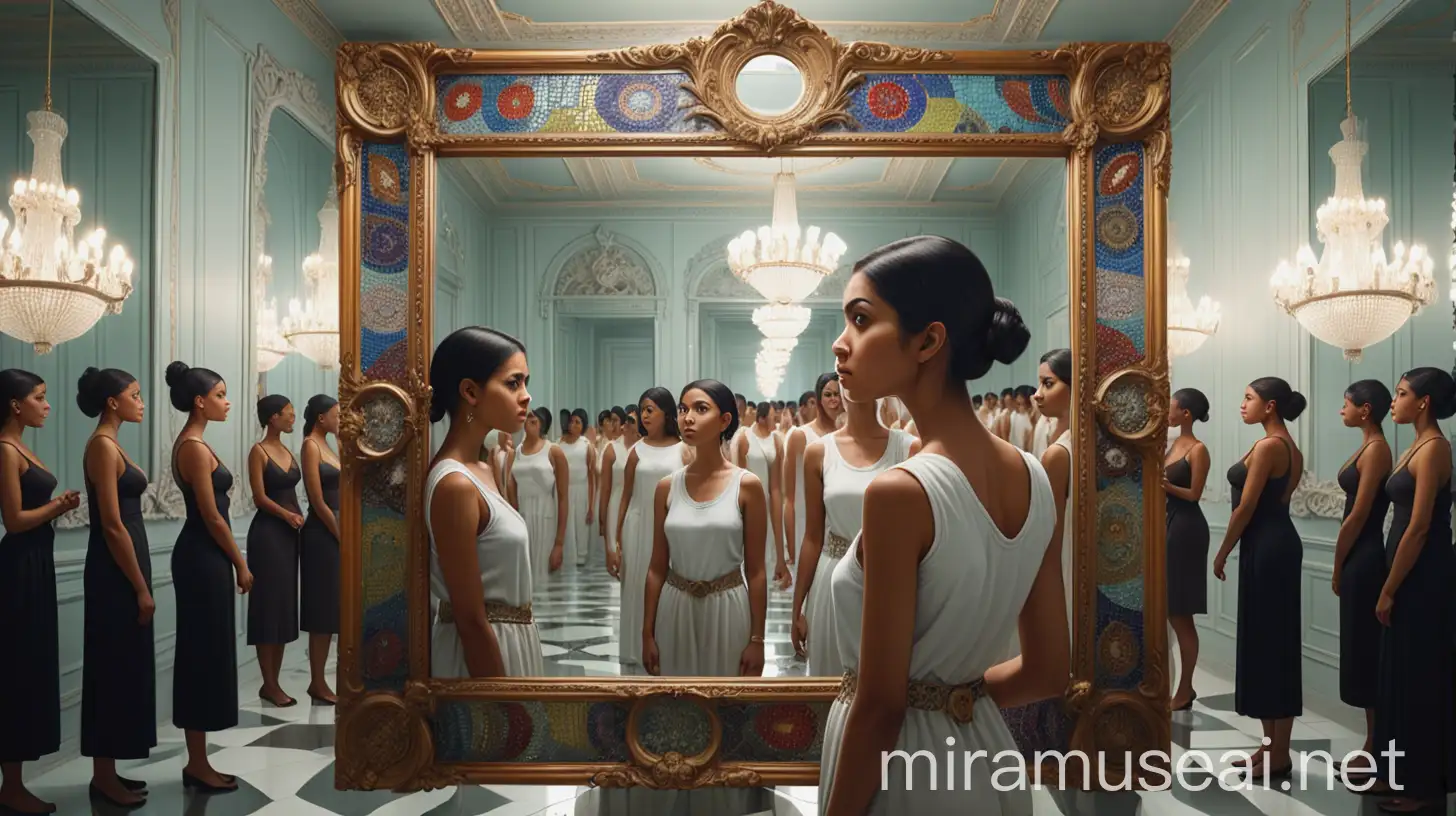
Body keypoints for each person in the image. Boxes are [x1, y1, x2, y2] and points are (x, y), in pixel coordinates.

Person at [820, 235, 1067, 815]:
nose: (840, 343)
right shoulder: (1035, 475)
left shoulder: (899, 492)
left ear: (929, 340)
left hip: (902, 769)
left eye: (860, 320)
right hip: (985, 753)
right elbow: (1049, 669)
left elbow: (880, 706)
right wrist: (959, 699)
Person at [425, 327, 544, 677]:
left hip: (511, 641)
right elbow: (470, 617)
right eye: (513, 383)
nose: (526, 396)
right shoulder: (456, 485)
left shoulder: (482, 468)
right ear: (470, 391)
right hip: (482, 655)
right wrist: (500, 704)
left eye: (525, 383)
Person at [1364, 367, 1456, 811]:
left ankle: (1421, 785)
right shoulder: (1415, 444)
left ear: (1424, 402)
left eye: (1401, 394)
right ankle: (1394, 772)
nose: (1394, 401)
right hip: (1406, 573)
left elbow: (1418, 528)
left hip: (1422, 576)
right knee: (1396, 675)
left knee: (1418, 678)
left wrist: (1389, 588)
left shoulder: (1435, 448)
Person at [1212, 376, 1306, 779]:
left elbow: (1247, 506)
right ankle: (1269, 748)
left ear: (1269, 406)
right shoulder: (1280, 444)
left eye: (1248, 398)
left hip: (1269, 546)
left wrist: (1221, 551)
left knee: (1274, 646)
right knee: (1266, 644)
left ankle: (1279, 753)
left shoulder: (1271, 446)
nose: (1242, 404)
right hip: (1270, 544)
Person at [641, 380, 767, 677]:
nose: (688, 417)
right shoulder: (666, 487)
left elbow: (757, 571)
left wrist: (757, 640)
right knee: (677, 709)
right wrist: (647, 633)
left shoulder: (746, 486)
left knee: (725, 708)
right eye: (683, 409)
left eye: (701, 409)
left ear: (725, 420)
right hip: (675, 608)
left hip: (729, 608)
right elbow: (656, 567)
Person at [792, 386, 917, 676]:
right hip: (831, 577)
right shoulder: (819, 451)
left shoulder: (909, 448)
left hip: (889, 580)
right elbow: (813, 536)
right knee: (831, 682)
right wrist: (797, 605)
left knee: (887, 681)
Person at [167, 361, 247, 792]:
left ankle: (199, 759)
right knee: (200, 656)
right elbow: (212, 517)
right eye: (219, 394)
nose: (226, 401)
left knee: (208, 652)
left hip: (206, 556)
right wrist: (241, 562)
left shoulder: (196, 444)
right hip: (202, 555)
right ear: (200, 401)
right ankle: (196, 763)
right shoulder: (194, 447)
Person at [0, 370, 76, 814]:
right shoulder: (6, 450)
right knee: (18, 669)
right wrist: (58, 505)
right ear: (16, 404)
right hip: (18, 567)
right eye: (40, 398)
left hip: (35, 563)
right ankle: (11, 786)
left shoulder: (21, 446)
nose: (47, 406)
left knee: (30, 666)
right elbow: (14, 520)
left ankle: (14, 782)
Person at [77, 368, 154, 806]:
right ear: (113, 402)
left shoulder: (111, 443)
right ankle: (102, 778)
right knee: (110, 667)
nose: (141, 402)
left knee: (123, 664)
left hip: (125, 564)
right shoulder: (103, 446)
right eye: (135, 395)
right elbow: (111, 523)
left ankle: (110, 771)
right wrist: (141, 588)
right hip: (113, 570)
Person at [1330, 380, 1392, 764]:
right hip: (1359, 554)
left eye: (1346, 404)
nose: (1342, 410)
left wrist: (1337, 564)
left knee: (1368, 652)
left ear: (1364, 410)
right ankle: (1372, 742)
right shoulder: (1369, 446)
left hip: (1365, 555)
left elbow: (1358, 514)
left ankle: (1377, 746)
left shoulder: (1378, 451)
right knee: (1360, 649)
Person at [612, 387, 687, 671]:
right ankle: (634, 649)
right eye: (642, 410)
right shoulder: (636, 451)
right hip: (636, 525)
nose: (644, 416)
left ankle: (662, 646)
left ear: (666, 413)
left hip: (669, 528)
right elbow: (625, 496)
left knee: (666, 586)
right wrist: (616, 542)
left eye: (650, 410)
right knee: (635, 586)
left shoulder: (683, 449)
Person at [246, 395, 304, 708]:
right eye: (288, 414)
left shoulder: (286, 450)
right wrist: (286, 515)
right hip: (268, 535)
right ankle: (269, 683)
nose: (292, 419)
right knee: (268, 608)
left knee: (283, 607)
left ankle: (274, 683)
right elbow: (259, 497)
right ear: (273, 417)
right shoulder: (259, 451)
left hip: (289, 535)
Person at [1162, 387, 1212, 712]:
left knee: (1181, 613)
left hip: (1187, 527)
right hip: (1169, 522)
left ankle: (1185, 688)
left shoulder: (1198, 449)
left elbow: (1194, 494)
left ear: (1186, 414)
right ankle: (1175, 684)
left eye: (1172, 406)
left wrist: (1162, 484)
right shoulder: (1170, 445)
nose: (1167, 410)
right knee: (1168, 608)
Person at [299, 394, 341, 704]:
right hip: (321, 534)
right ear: (320, 418)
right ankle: (317, 681)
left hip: (338, 533)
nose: (340, 420)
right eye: (336, 415)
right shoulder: (310, 446)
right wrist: (340, 534)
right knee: (322, 611)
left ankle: (338, 678)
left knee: (338, 610)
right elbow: (317, 500)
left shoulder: (331, 445)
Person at [784, 374, 841, 569]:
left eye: (839, 394)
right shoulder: (801, 436)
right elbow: (789, 498)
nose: (834, 400)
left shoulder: (848, 436)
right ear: (818, 399)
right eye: (828, 394)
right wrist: (790, 548)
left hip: (839, 526)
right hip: (806, 524)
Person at [733, 401, 790, 590]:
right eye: (773, 417)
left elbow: (776, 489)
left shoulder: (776, 441)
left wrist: (781, 555)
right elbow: (738, 480)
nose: (776, 421)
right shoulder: (744, 438)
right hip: (746, 509)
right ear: (762, 417)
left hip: (768, 507)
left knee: (763, 571)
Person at [509, 408, 567, 586]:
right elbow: (512, 489)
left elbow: (564, 498)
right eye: (529, 418)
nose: (530, 421)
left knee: (543, 577)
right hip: (522, 517)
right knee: (524, 576)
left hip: (545, 517)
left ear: (543, 424)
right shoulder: (516, 452)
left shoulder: (554, 451)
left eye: (536, 419)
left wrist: (559, 543)